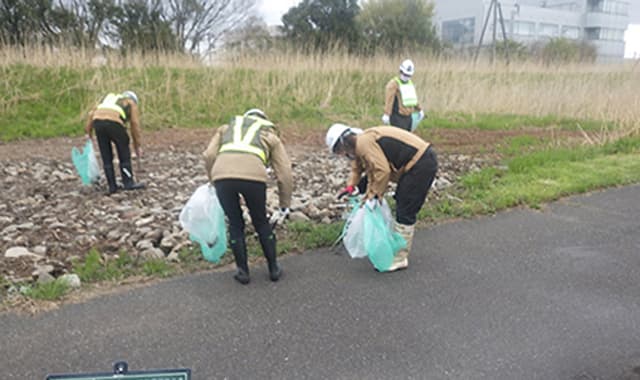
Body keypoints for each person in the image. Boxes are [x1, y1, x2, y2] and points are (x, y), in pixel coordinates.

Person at [326, 124, 438, 272]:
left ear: (344, 143)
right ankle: (397, 248)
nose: (342, 155)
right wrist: (352, 186)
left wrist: (374, 195)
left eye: (339, 151)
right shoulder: (360, 142)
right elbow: (357, 167)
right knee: (399, 200)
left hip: (421, 164)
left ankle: (400, 258)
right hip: (415, 164)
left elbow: (382, 171)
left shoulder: (364, 144)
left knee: (405, 207)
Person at [203, 108, 293, 284]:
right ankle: (274, 268)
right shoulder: (269, 135)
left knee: (235, 223)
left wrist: (213, 180)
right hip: (254, 177)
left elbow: (209, 155)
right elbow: (285, 173)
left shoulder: (226, 129)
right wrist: (284, 204)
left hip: (222, 176)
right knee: (260, 221)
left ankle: (243, 272)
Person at [85, 91, 144, 194]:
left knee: (106, 155)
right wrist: (137, 146)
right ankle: (128, 182)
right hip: (114, 122)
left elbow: (91, 114)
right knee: (123, 151)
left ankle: (112, 186)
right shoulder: (130, 102)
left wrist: (89, 133)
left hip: (98, 123)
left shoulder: (108, 98)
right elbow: (134, 125)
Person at [382, 59, 424, 132]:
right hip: (397, 117)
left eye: (408, 75)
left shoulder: (409, 83)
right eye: (405, 74)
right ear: (400, 71)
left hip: (408, 117)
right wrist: (387, 114)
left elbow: (413, 99)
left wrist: (420, 109)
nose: (406, 77)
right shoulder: (393, 84)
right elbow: (389, 100)